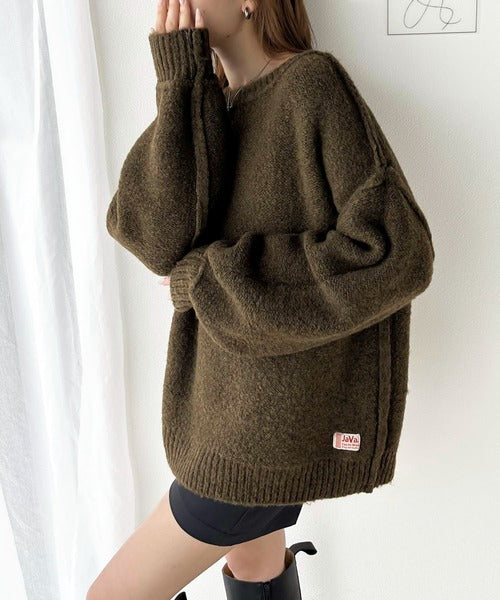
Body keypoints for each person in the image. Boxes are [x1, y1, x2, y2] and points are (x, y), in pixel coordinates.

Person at [90, 0, 435, 598]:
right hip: (224, 417)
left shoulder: (311, 85)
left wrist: (210, 277)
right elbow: (152, 238)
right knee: (255, 569)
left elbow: (393, 250)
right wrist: (180, 84)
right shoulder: (208, 106)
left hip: (261, 432)